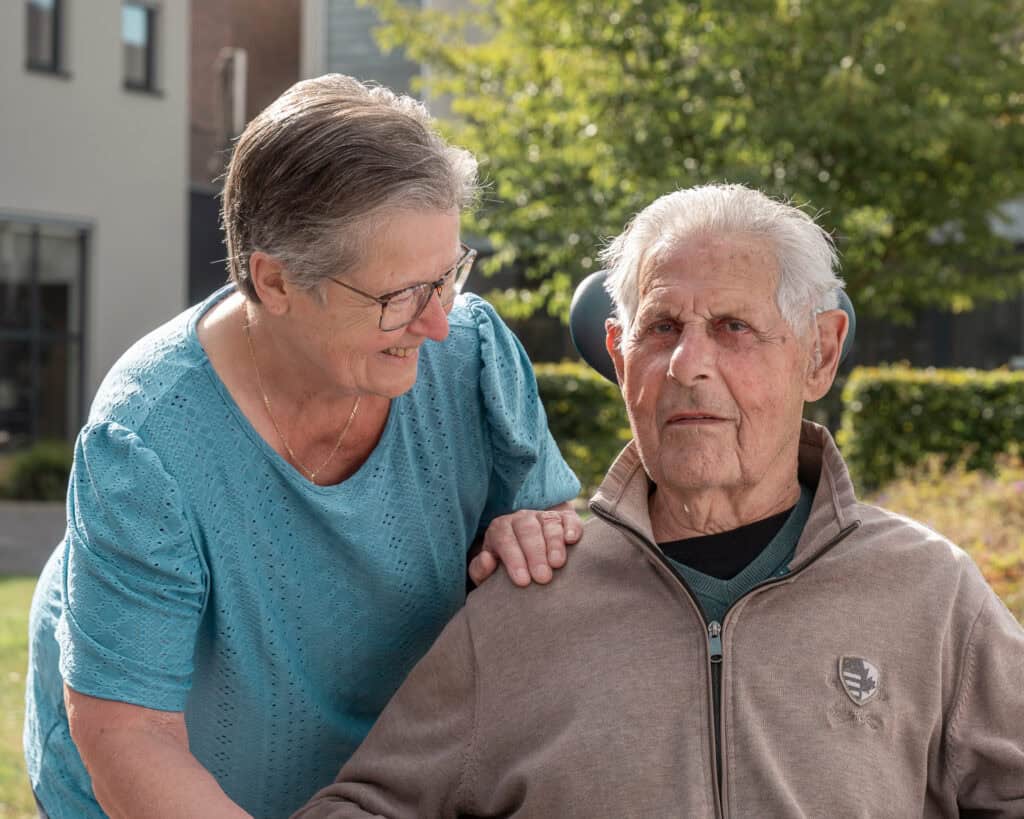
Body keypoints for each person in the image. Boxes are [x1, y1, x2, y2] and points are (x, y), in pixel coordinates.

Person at [293, 184, 1024, 818]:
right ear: (618, 355)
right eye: (662, 328)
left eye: (734, 328)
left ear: (820, 354)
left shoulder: (929, 591)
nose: (688, 364)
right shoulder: (526, 603)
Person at [24, 74, 582, 819]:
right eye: (398, 297)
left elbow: (556, 561)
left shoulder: (471, 355)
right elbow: (128, 734)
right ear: (276, 281)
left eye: (447, 276)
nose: (437, 323)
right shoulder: (146, 442)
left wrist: (530, 532)